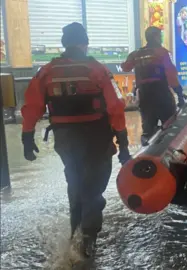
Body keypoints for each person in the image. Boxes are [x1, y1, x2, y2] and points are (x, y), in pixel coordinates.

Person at [21, 22, 131, 257]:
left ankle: (75, 229)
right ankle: (88, 239)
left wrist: (27, 137)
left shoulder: (47, 71)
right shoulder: (98, 69)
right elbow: (116, 107)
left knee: (75, 179)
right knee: (93, 186)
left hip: (66, 139)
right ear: (85, 43)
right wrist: (123, 145)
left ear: (64, 44)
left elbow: (32, 105)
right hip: (96, 137)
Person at [122, 26, 185, 146]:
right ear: (155, 37)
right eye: (160, 36)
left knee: (148, 130)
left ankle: (147, 153)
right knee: (170, 127)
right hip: (162, 96)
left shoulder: (136, 54)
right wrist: (180, 95)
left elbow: (125, 67)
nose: (161, 39)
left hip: (145, 97)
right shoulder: (162, 53)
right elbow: (171, 75)